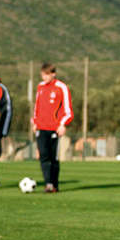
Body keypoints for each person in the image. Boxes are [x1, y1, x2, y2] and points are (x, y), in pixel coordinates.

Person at [32, 63, 73, 193]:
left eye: (47, 74)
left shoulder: (61, 87)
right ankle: (48, 183)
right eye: (43, 74)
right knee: (43, 155)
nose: (44, 77)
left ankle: (54, 184)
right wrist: (35, 122)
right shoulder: (40, 87)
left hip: (55, 128)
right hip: (41, 127)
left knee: (53, 157)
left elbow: (68, 110)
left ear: (53, 74)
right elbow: (37, 106)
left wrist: (62, 124)